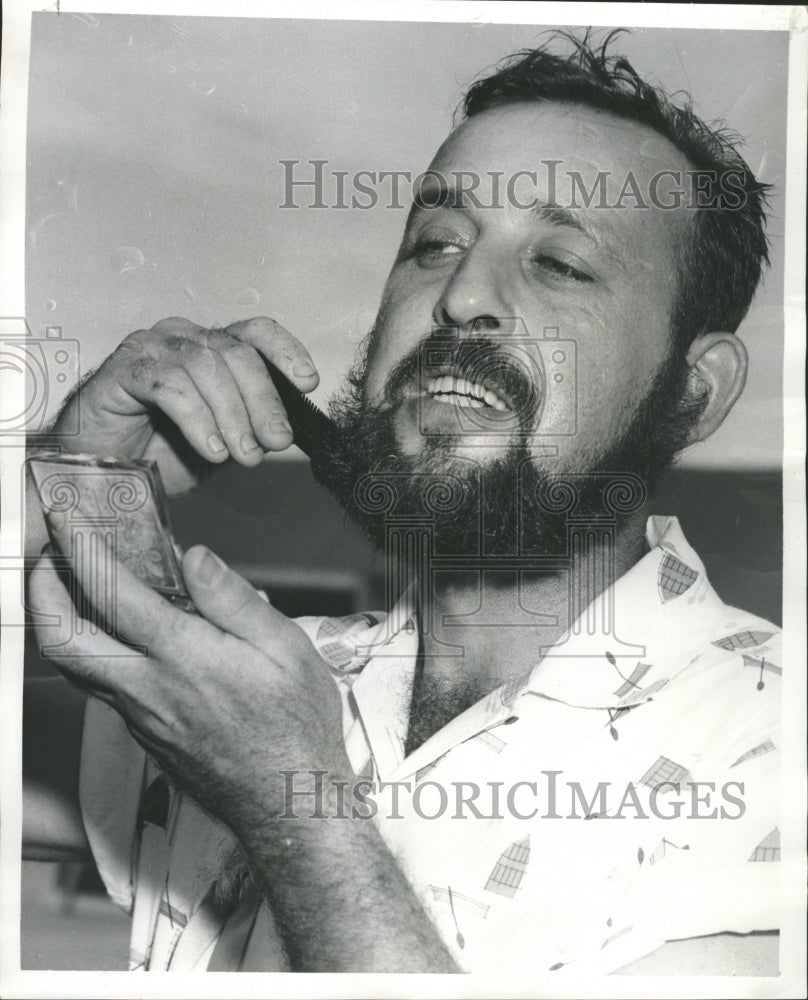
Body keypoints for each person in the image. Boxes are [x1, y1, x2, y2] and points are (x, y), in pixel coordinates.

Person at [23, 32, 781, 975]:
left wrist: (293, 802)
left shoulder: (770, 741)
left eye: (560, 263)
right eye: (435, 244)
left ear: (694, 391)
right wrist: (75, 474)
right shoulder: (242, 686)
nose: (463, 295)